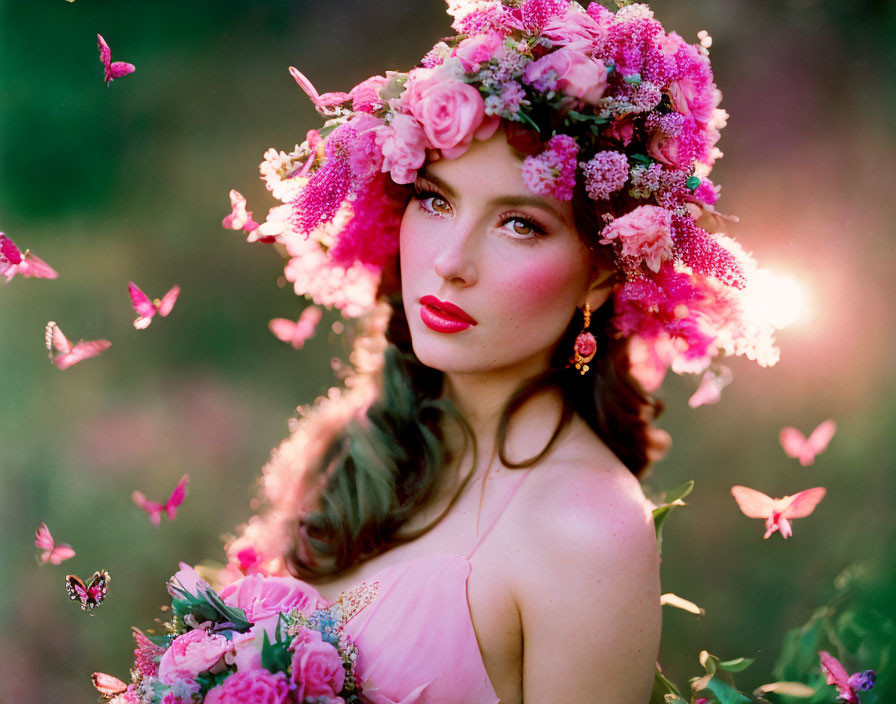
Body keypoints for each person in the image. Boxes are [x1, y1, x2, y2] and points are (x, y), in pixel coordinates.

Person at [220, 2, 781, 702]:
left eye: (519, 223)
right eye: (434, 200)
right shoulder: (353, 446)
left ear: (606, 272)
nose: (451, 262)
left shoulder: (586, 529)